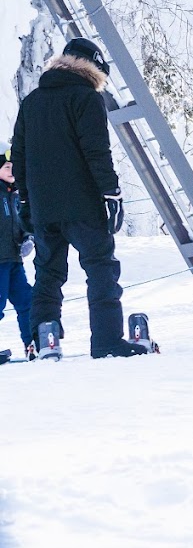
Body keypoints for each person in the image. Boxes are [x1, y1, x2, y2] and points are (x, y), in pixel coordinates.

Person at [10, 37, 145, 359]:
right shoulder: (85, 98)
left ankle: (44, 338)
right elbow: (97, 151)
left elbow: (19, 158)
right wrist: (111, 194)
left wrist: (26, 202)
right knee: (100, 268)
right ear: (94, 68)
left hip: (44, 208)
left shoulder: (32, 101)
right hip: (83, 204)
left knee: (48, 274)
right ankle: (107, 340)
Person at [0, 149, 34, 358]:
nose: (11, 171)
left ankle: (32, 342)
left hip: (14, 259)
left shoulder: (15, 195)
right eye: (6, 167)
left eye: (13, 167)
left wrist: (29, 237)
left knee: (25, 300)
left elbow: (24, 222)